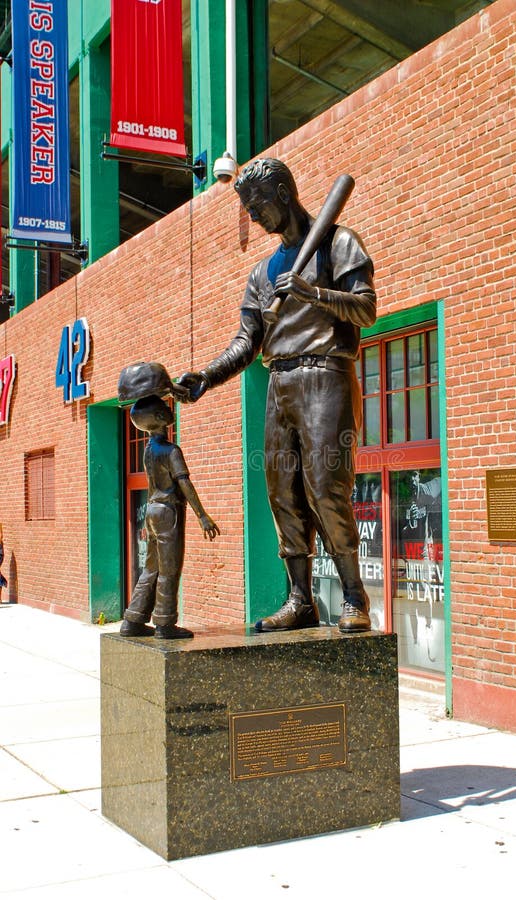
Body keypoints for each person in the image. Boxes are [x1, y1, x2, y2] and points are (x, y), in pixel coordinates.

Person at [179, 158, 376, 633]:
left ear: (283, 194)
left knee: (325, 489)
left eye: (256, 205)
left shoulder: (339, 243)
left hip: (326, 373)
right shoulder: (262, 272)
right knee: (282, 493)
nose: (253, 216)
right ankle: (300, 598)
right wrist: (208, 375)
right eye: (247, 208)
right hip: (280, 381)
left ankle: (354, 596)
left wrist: (315, 294)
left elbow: (367, 310)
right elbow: (247, 342)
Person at [120, 395, 220, 639]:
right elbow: (183, 483)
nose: (169, 407)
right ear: (157, 418)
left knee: (151, 568)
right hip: (168, 512)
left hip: (153, 510)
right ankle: (165, 623)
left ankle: (133, 619)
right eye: (164, 407)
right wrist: (202, 515)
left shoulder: (148, 450)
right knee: (169, 569)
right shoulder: (171, 450)